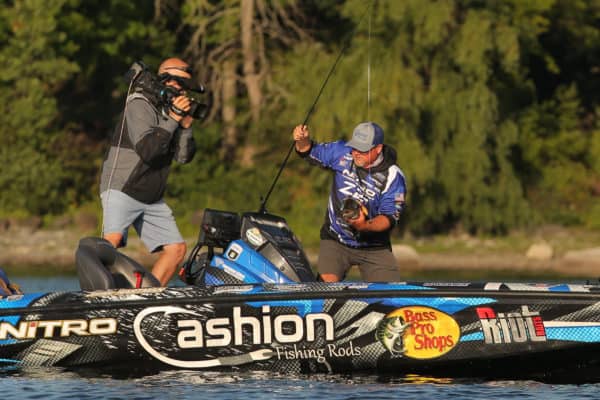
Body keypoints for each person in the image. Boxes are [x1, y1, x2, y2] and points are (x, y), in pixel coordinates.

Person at [99, 57, 197, 286]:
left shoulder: (168, 112)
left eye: (185, 86)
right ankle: (96, 298)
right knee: (111, 243)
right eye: (179, 84)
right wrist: (173, 119)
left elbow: (183, 158)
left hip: (151, 195)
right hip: (124, 186)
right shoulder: (139, 103)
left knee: (176, 250)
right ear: (166, 81)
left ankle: (145, 298)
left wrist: (185, 127)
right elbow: (148, 150)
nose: (182, 91)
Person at [293, 122, 406, 282]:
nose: (356, 153)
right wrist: (302, 140)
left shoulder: (394, 176)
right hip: (335, 239)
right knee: (325, 290)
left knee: (390, 294)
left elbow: (389, 218)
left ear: (378, 148)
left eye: (363, 149)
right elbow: (308, 150)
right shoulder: (341, 151)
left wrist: (364, 225)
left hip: (375, 246)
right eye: (354, 147)